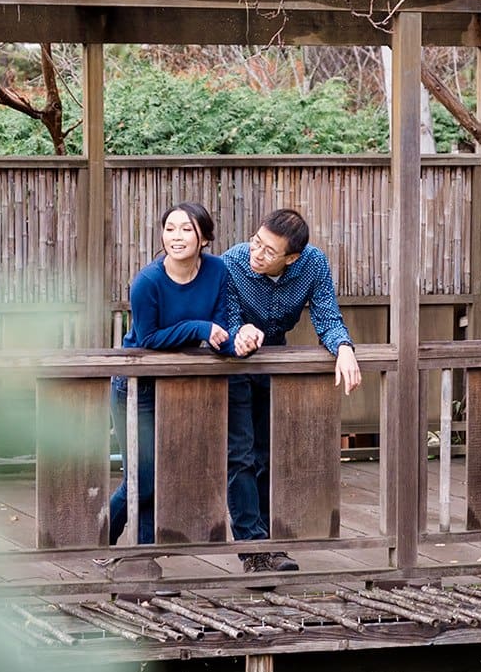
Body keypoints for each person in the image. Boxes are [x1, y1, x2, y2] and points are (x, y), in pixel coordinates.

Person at [223, 208, 362, 572]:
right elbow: (228, 318)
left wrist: (344, 347)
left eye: (269, 251)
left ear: (291, 257)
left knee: (269, 455)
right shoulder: (232, 263)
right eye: (256, 242)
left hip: (274, 366)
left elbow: (327, 317)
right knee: (240, 456)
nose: (257, 254)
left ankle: (272, 542)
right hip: (235, 364)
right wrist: (240, 333)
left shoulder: (312, 264)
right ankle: (253, 549)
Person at [107, 201, 240, 546]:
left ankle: (143, 554)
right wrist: (199, 327)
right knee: (142, 478)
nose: (176, 237)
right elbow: (148, 339)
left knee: (164, 475)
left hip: (182, 384)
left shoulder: (217, 271)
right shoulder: (147, 282)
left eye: (186, 229)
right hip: (137, 386)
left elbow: (220, 327)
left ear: (205, 238)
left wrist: (238, 342)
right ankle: (97, 538)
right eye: (170, 229)